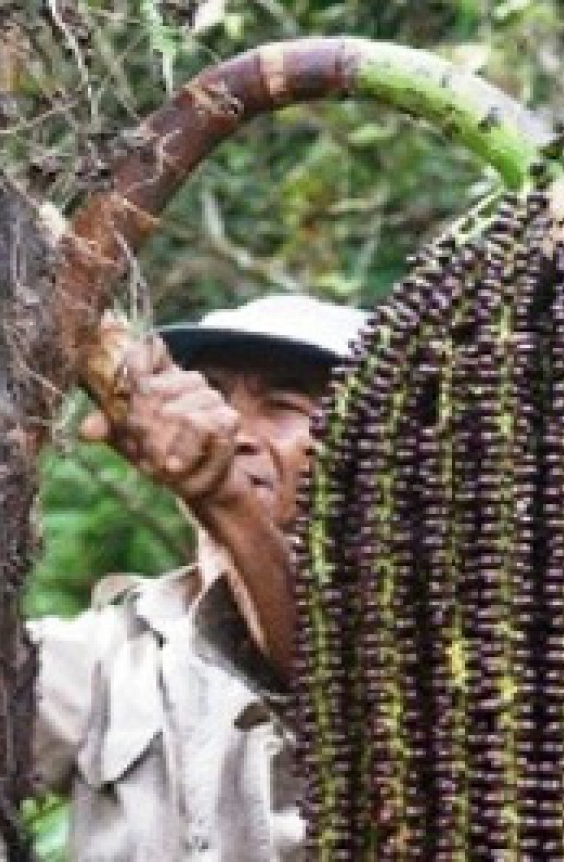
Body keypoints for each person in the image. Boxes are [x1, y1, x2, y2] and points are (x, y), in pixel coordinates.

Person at [27, 294, 369, 860]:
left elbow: (329, 686)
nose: (232, 431)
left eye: (282, 405)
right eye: (208, 395)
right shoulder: (118, 648)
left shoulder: (429, 638)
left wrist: (226, 502)